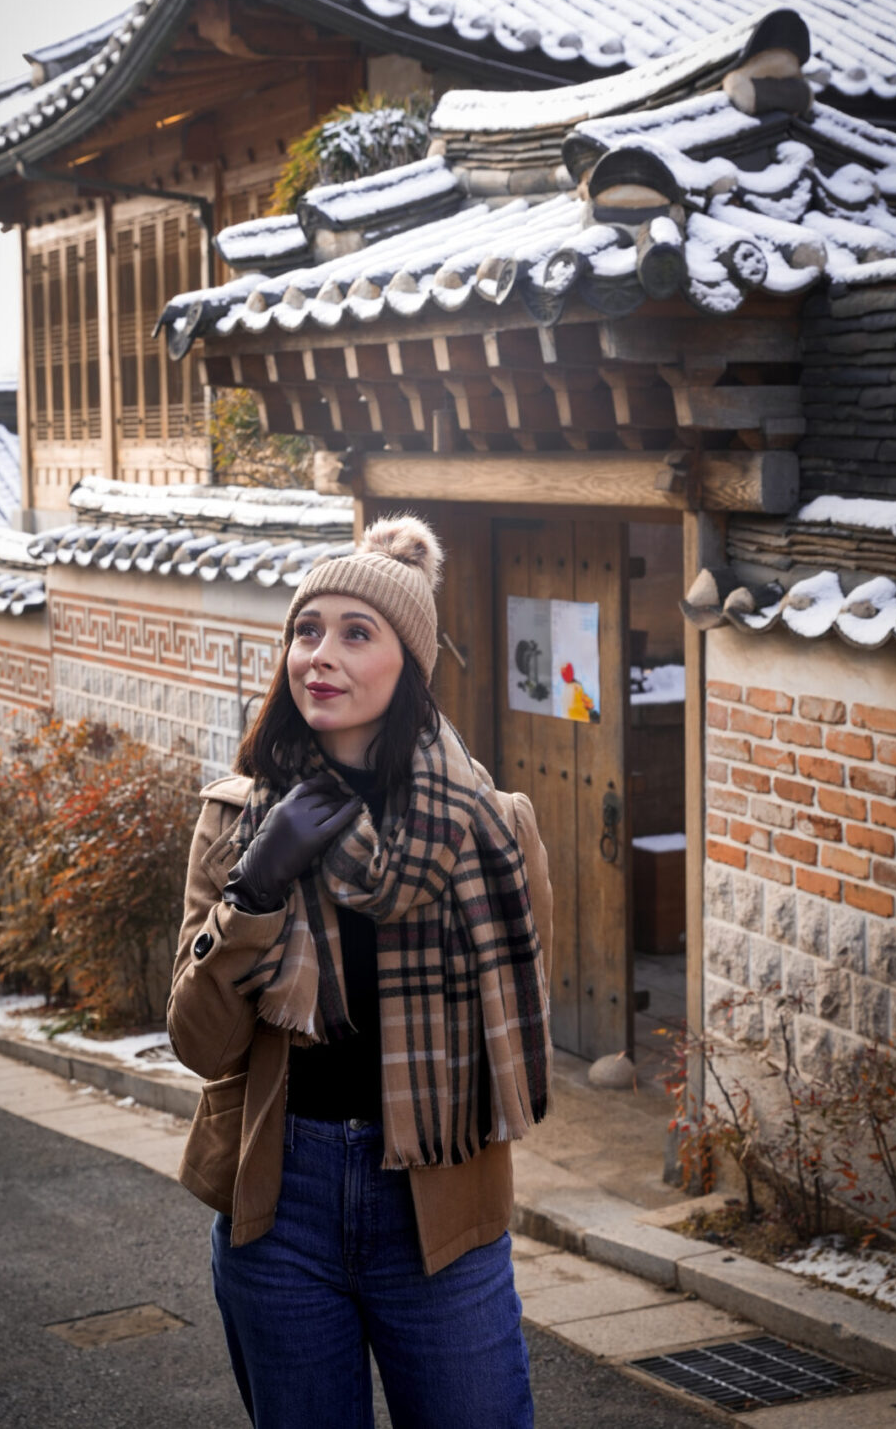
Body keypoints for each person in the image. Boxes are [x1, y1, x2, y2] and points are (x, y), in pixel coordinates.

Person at [168, 515, 553, 1429]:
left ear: (409, 665)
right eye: (307, 631)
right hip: (282, 1200)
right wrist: (255, 890)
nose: (320, 656)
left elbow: (522, 1011)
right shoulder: (237, 821)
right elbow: (200, 1043)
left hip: (440, 1200)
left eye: (355, 632)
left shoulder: (493, 831)